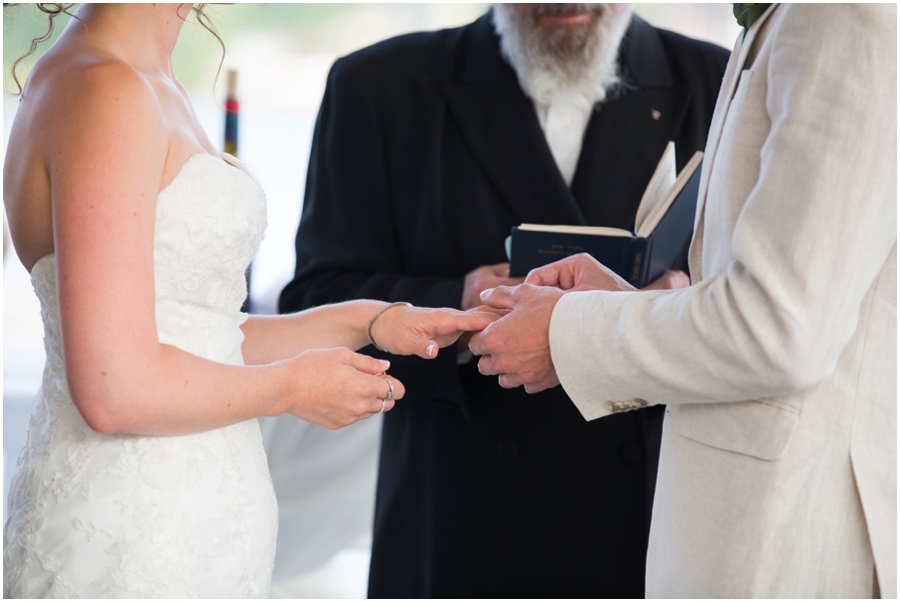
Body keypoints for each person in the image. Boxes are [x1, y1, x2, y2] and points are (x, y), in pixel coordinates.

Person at [1, 4, 494, 598]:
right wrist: (293, 387)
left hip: (198, 521)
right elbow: (114, 388)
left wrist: (372, 319)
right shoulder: (105, 87)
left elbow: (197, 333)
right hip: (131, 531)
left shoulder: (138, 77)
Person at [280, 3, 729, 597]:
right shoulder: (378, 86)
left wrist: (674, 302)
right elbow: (314, 301)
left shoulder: (721, 83)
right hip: (458, 516)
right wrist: (456, 302)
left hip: (647, 516)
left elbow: (760, 307)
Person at [471, 3, 896, 598]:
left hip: (786, 537)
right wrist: (621, 306)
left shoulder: (839, 17)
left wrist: (569, 332)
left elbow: (778, 330)